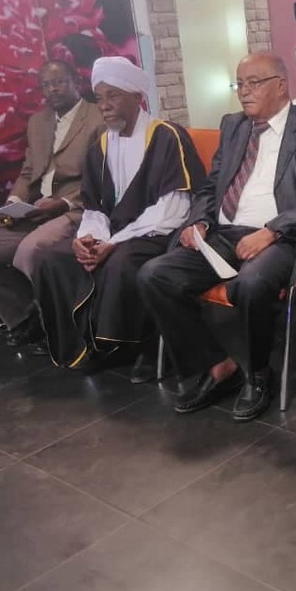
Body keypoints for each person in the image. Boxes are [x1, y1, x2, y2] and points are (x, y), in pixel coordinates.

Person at [137, 53, 296, 421]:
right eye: (241, 84)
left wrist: (274, 229)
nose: (244, 92)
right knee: (154, 275)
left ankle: (258, 373)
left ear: (280, 86)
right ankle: (216, 366)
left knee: (250, 283)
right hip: (223, 232)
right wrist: (200, 221)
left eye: (254, 83)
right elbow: (211, 185)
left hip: (284, 237)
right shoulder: (234, 126)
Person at [33, 57, 205, 373]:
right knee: (52, 260)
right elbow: (94, 206)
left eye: (113, 96)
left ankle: (137, 346)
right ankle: (87, 343)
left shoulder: (166, 135)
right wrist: (89, 239)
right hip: (113, 234)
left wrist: (114, 242)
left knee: (121, 263)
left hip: (158, 233)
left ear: (136, 97)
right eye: (99, 98)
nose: (104, 106)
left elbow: (174, 208)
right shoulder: (101, 145)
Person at [0, 60, 105, 349]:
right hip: (35, 210)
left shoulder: (98, 118)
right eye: (46, 85)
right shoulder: (38, 122)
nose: (53, 89)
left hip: (77, 209)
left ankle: (60, 322)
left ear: (75, 81)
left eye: (59, 82)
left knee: (30, 251)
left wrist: (63, 203)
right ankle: (27, 318)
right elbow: (27, 172)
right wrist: (13, 204)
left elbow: (104, 178)